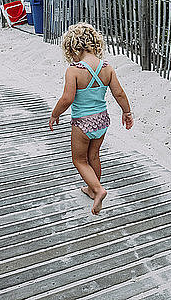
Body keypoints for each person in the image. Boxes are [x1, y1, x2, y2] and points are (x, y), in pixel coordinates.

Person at [49, 23, 133, 215]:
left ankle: (98, 190)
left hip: (82, 123)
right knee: (93, 156)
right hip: (102, 120)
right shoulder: (107, 68)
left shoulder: (74, 70)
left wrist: (55, 114)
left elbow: (67, 98)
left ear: (72, 48)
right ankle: (91, 188)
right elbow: (119, 94)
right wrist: (127, 112)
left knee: (79, 160)